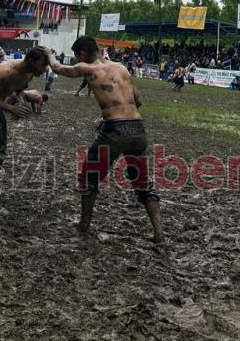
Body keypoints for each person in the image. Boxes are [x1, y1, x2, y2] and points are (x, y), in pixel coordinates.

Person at [46, 37, 164, 243]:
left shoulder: (88, 68)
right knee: (143, 182)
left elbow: (58, 68)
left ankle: (84, 224)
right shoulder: (122, 68)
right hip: (137, 129)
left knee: (89, 177)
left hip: (114, 131)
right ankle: (159, 233)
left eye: (76, 55)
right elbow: (138, 101)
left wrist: (48, 54)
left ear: (82, 54)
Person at [0, 47, 48, 214]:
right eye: (42, 65)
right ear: (31, 61)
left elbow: (16, 90)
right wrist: (11, 109)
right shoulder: (7, 71)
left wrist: (19, 102)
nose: (44, 69)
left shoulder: (30, 73)